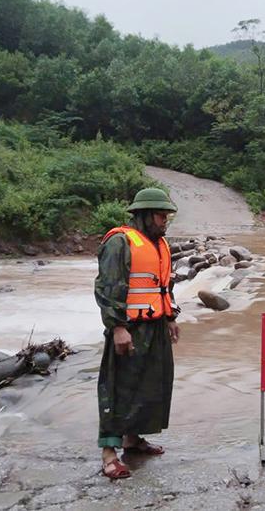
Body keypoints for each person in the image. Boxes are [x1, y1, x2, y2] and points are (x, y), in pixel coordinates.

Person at [94, 188, 181, 479]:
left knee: (151, 384)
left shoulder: (160, 244)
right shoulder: (120, 242)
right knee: (120, 388)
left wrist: (170, 317)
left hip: (155, 326)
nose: (164, 221)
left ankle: (133, 440)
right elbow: (107, 289)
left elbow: (163, 286)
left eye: (167, 216)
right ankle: (109, 454)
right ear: (143, 216)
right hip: (129, 327)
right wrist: (118, 327)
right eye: (160, 216)